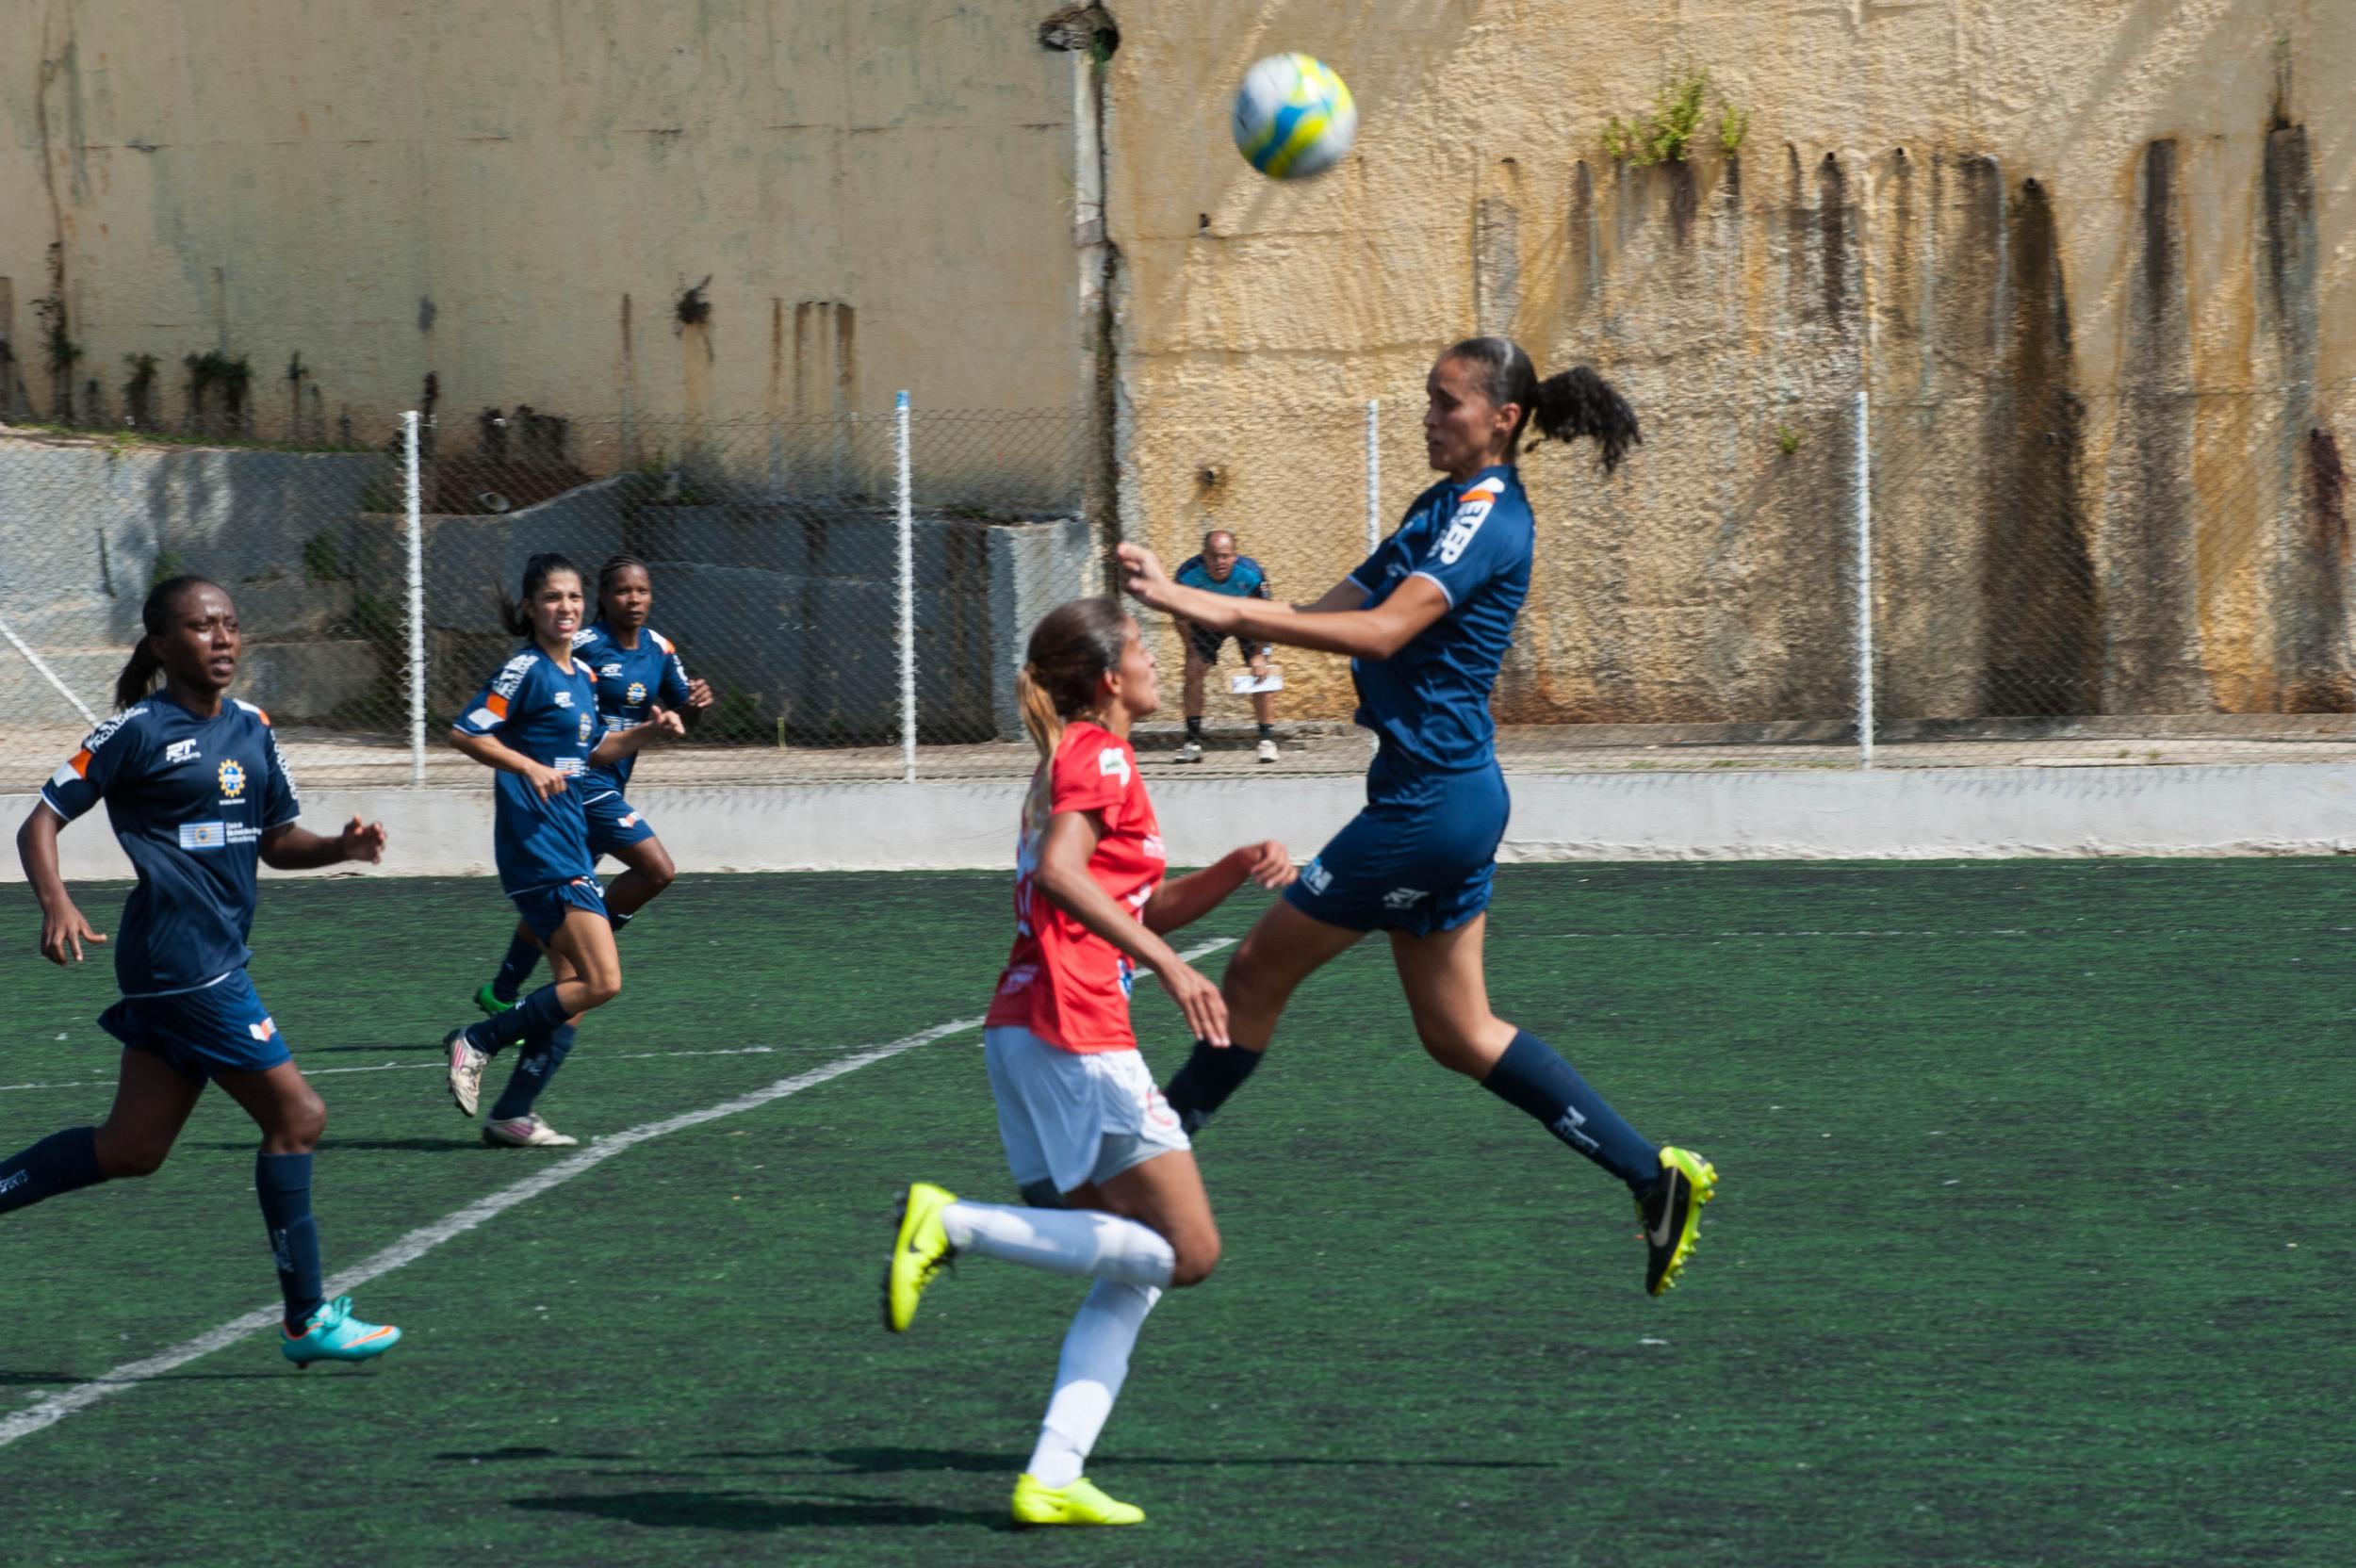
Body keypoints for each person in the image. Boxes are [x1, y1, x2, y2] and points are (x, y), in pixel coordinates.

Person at [1120, 337, 1719, 1297]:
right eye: (1427, 400)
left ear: (1502, 417)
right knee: (1456, 1030)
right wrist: (1197, 601)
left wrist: (1225, 614)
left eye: (1445, 402)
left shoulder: (1488, 517)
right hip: (1447, 796)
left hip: (1428, 806)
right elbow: (1330, 607)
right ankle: (1654, 1177)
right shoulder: (1438, 505)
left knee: (1250, 974)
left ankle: (1141, 1167)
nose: (1428, 416)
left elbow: (1383, 629)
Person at [881, 596, 1293, 1527]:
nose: (1156, 662)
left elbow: (1123, 900)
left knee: (1134, 1266)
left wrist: (1228, 869)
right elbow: (1068, 876)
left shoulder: (1068, 759)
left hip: (1024, 1024)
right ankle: (953, 1225)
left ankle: (1053, 1473)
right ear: (1110, 678)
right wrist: (1171, 966)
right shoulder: (1097, 752)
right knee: (1190, 1251)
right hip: (1077, 1024)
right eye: (1144, 649)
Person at [2, 576, 401, 1365]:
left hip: (198, 963)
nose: (220, 638)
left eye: (229, 624)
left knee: (130, 1149)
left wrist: (339, 849)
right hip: (186, 964)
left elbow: (276, 839)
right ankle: (306, 1319)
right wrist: (56, 904)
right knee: (298, 1118)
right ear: (160, 645)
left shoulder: (252, 730)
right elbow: (39, 822)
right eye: (199, 626)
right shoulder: (135, 732)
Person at [439, 553, 683, 1148]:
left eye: (573, 598)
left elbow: (597, 749)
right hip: (539, 845)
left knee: (569, 995)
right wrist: (528, 766)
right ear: (530, 609)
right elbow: (466, 731)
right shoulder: (524, 670)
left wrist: (649, 733)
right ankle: (479, 1039)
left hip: (568, 838)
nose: (566, 608)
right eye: (553, 599)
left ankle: (512, 1114)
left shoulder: (582, 676)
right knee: (602, 981)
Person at [472, 554, 711, 1017]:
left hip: (608, 779)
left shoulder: (659, 650)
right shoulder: (581, 645)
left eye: (642, 590)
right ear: (602, 598)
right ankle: (587, 939)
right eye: (623, 590)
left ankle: (502, 992)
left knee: (558, 900)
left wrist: (695, 703)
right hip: (581, 783)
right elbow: (534, 685)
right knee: (657, 870)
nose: (634, 599)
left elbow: (684, 716)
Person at [1170, 530, 1281, 764]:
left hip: (1245, 619)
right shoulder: (1187, 575)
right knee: (1193, 671)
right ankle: (1193, 742)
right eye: (1213, 556)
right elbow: (1180, 618)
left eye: (1225, 556)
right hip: (1207, 620)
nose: (1220, 562)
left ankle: (1267, 741)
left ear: (1234, 556)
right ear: (1204, 556)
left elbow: (1267, 616)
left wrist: (1260, 655)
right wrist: (1191, 648)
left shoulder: (1251, 574)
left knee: (1261, 672)